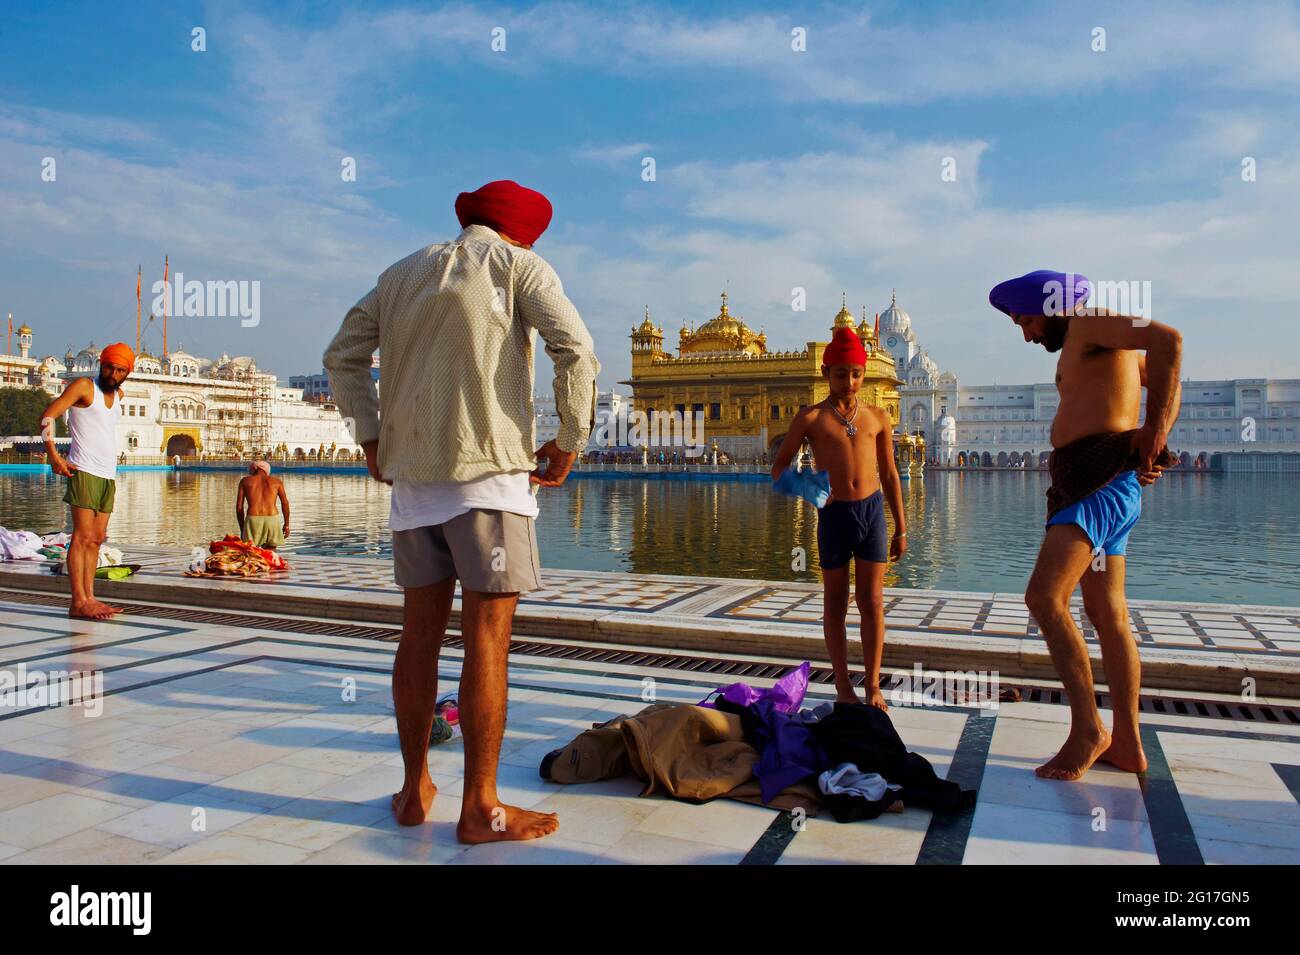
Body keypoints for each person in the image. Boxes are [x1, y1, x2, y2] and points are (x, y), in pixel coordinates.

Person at [324, 179, 600, 842]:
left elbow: (343, 355)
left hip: (414, 487)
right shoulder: (519, 267)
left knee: (417, 636)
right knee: (486, 641)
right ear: (522, 232)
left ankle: (416, 785)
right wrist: (569, 440)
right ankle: (480, 806)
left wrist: (371, 434)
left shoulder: (400, 273)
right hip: (491, 483)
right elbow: (577, 350)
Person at [989, 270, 1182, 781]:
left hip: (1098, 481)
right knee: (1105, 611)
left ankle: (1088, 730)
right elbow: (1158, 368)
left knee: (1045, 599)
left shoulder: (1092, 322)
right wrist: (1153, 431)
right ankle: (1128, 743)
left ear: (1050, 306)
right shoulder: (1091, 339)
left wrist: (1156, 433)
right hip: (1092, 480)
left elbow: (1169, 340)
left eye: (1027, 320)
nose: (1027, 334)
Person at [770, 326, 907, 709]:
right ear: (826, 373)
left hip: (872, 511)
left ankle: (874, 685)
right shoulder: (811, 418)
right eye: (841, 373)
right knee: (835, 602)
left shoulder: (878, 417)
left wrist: (901, 526)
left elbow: (891, 474)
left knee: (873, 601)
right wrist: (812, 490)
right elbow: (779, 468)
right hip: (834, 515)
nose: (850, 381)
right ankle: (843, 685)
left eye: (856, 373)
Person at [40, 342, 134, 620]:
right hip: (84, 470)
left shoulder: (119, 395)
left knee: (96, 538)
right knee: (81, 537)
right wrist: (55, 457)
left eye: (120, 370)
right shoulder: (83, 386)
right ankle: (78, 601)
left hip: (108, 473)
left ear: (127, 372)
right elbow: (47, 417)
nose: (113, 374)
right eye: (109, 367)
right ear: (101, 364)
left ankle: (90, 597)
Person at [235, 461, 289, 549]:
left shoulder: (245, 481)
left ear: (253, 470)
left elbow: (239, 507)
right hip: (272, 519)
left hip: (253, 519)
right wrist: (286, 525)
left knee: (251, 553)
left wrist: (242, 529)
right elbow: (285, 503)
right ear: (267, 470)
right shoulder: (277, 482)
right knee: (271, 553)